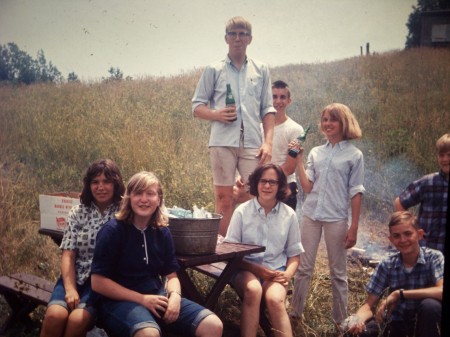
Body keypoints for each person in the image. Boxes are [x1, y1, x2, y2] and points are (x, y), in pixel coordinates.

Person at [90, 171, 223, 337]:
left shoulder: (161, 231)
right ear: (129, 197)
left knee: (213, 325)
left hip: (157, 297)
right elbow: (97, 282)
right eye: (138, 193)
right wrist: (142, 299)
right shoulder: (113, 231)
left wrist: (174, 296)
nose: (144, 199)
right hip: (118, 303)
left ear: (158, 199)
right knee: (149, 334)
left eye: (150, 194)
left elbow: (171, 275)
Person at [192, 16, 276, 236]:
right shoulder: (214, 69)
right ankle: (221, 255)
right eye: (233, 34)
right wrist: (217, 114)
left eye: (243, 34)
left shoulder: (261, 69)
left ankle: (251, 249)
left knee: (256, 195)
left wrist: (268, 143)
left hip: (252, 143)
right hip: (222, 141)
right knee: (224, 199)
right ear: (226, 38)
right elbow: (197, 107)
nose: (238, 38)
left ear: (250, 39)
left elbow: (268, 109)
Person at [289, 103, 365, 324]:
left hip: (336, 218)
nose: (328, 124)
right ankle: (295, 314)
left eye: (333, 119)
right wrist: (299, 160)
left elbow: (356, 191)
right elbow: (307, 187)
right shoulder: (316, 152)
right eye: (325, 120)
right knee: (303, 267)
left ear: (344, 123)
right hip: (311, 215)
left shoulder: (354, 155)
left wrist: (354, 226)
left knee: (338, 272)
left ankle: (340, 321)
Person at [40, 159, 125, 337]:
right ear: (88, 185)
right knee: (55, 315)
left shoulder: (124, 213)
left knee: (76, 320)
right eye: (95, 182)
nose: (100, 187)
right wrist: (70, 289)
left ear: (115, 184)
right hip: (75, 275)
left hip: (102, 282)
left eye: (107, 181)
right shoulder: (78, 212)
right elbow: (68, 255)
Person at [224, 163, 303, 337]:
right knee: (253, 290)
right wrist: (257, 270)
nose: (267, 186)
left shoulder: (289, 215)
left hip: (276, 270)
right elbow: (230, 253)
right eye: (263, 181)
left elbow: (295, 255)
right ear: (256, 183)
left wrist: (287, 275)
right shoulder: (242, 212)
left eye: (272, 182)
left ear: (281, 186)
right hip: (244, 268)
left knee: (275, 299)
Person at [343, 211, 444, 337]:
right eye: (396, 236)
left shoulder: (434, 257)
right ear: (391, 240)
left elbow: (441, 291)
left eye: (408, 234)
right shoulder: (387, 263)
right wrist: (357, 321)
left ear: (419, 234)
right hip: (395, 323)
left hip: (425, 324)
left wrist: (399, 294)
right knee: (359, 333)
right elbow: (368, 305)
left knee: (430, 306)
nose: (403, 240)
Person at [234, 80, 304, 210]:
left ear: (289, 101)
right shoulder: (260, 127)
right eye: (274, 97)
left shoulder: (296, 130)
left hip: (284, 185)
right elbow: (252, 157)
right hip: (262, 185)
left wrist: (262, 177)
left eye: (282, 97)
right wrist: (243, 176)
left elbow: (289, 168)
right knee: (231, 194)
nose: (278, 101)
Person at [394, 133, 449, 253]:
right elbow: (400, 202)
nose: (445, 159)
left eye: (449, 155)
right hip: (427, 250)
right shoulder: (428, 182)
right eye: (441, 155)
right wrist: (410, 229)